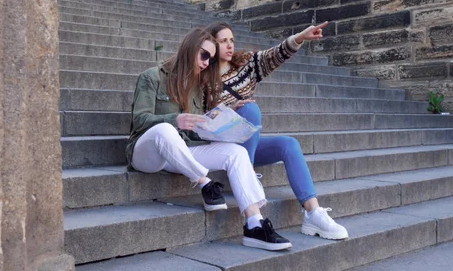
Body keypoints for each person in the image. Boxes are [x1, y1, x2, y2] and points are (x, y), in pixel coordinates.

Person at [126, 28, 292, 251]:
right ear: (189, 48)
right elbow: (139, 120)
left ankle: (255, 224)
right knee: (166, 129)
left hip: (181, 155)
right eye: (204, 55)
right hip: (148, 153)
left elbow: (194, 130)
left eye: (211, 59)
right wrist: (175, 119)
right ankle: (205, 183)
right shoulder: (152, 76)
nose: (206, 63)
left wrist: (217, 125)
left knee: (236, 152)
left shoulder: (194, 87)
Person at [205, 21, 349, 240]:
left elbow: (275, 54)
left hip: (247, 144)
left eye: (232, 40)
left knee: (289, 144)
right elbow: (200, 118)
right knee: (250, 109)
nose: (229, 45)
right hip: (222, 145)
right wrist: (228, 109)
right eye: (223, 41)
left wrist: (300, 36)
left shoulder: (245, 65)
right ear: (211, 44)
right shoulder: (202, 76)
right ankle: (248, 175)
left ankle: (313, 213)